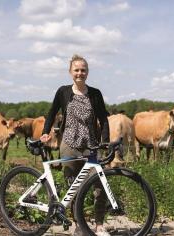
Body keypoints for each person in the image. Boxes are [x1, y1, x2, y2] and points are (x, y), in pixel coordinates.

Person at [40, 54, 110, 236]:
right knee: (73, 188)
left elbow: (103, 119)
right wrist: (45, 132)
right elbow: (52, 112)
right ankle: (78, 225)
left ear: (87, 72)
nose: (80, 73)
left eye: (83, 70)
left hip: (91, 146)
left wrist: (105, 141)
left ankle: (99, 225)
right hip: (69, 145)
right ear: (70, 72)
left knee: (99, 186)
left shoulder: (95, 94)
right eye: (77, 70)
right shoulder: (63, 91)